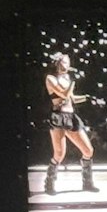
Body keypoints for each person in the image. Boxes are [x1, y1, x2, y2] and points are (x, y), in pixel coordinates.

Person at [44, 52, 97, 194]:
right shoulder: (50, 78)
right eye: (65, 62)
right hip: (58, 117)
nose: (68, 65)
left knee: (88, 150)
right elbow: (64, 94)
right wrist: (72, 81)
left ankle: (87, 182)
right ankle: (49, 182)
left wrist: (88, 98)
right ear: (58, 63)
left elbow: (71, 98)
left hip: (71, 116)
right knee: (59, 154)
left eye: (68, 62)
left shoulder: (67, 78)